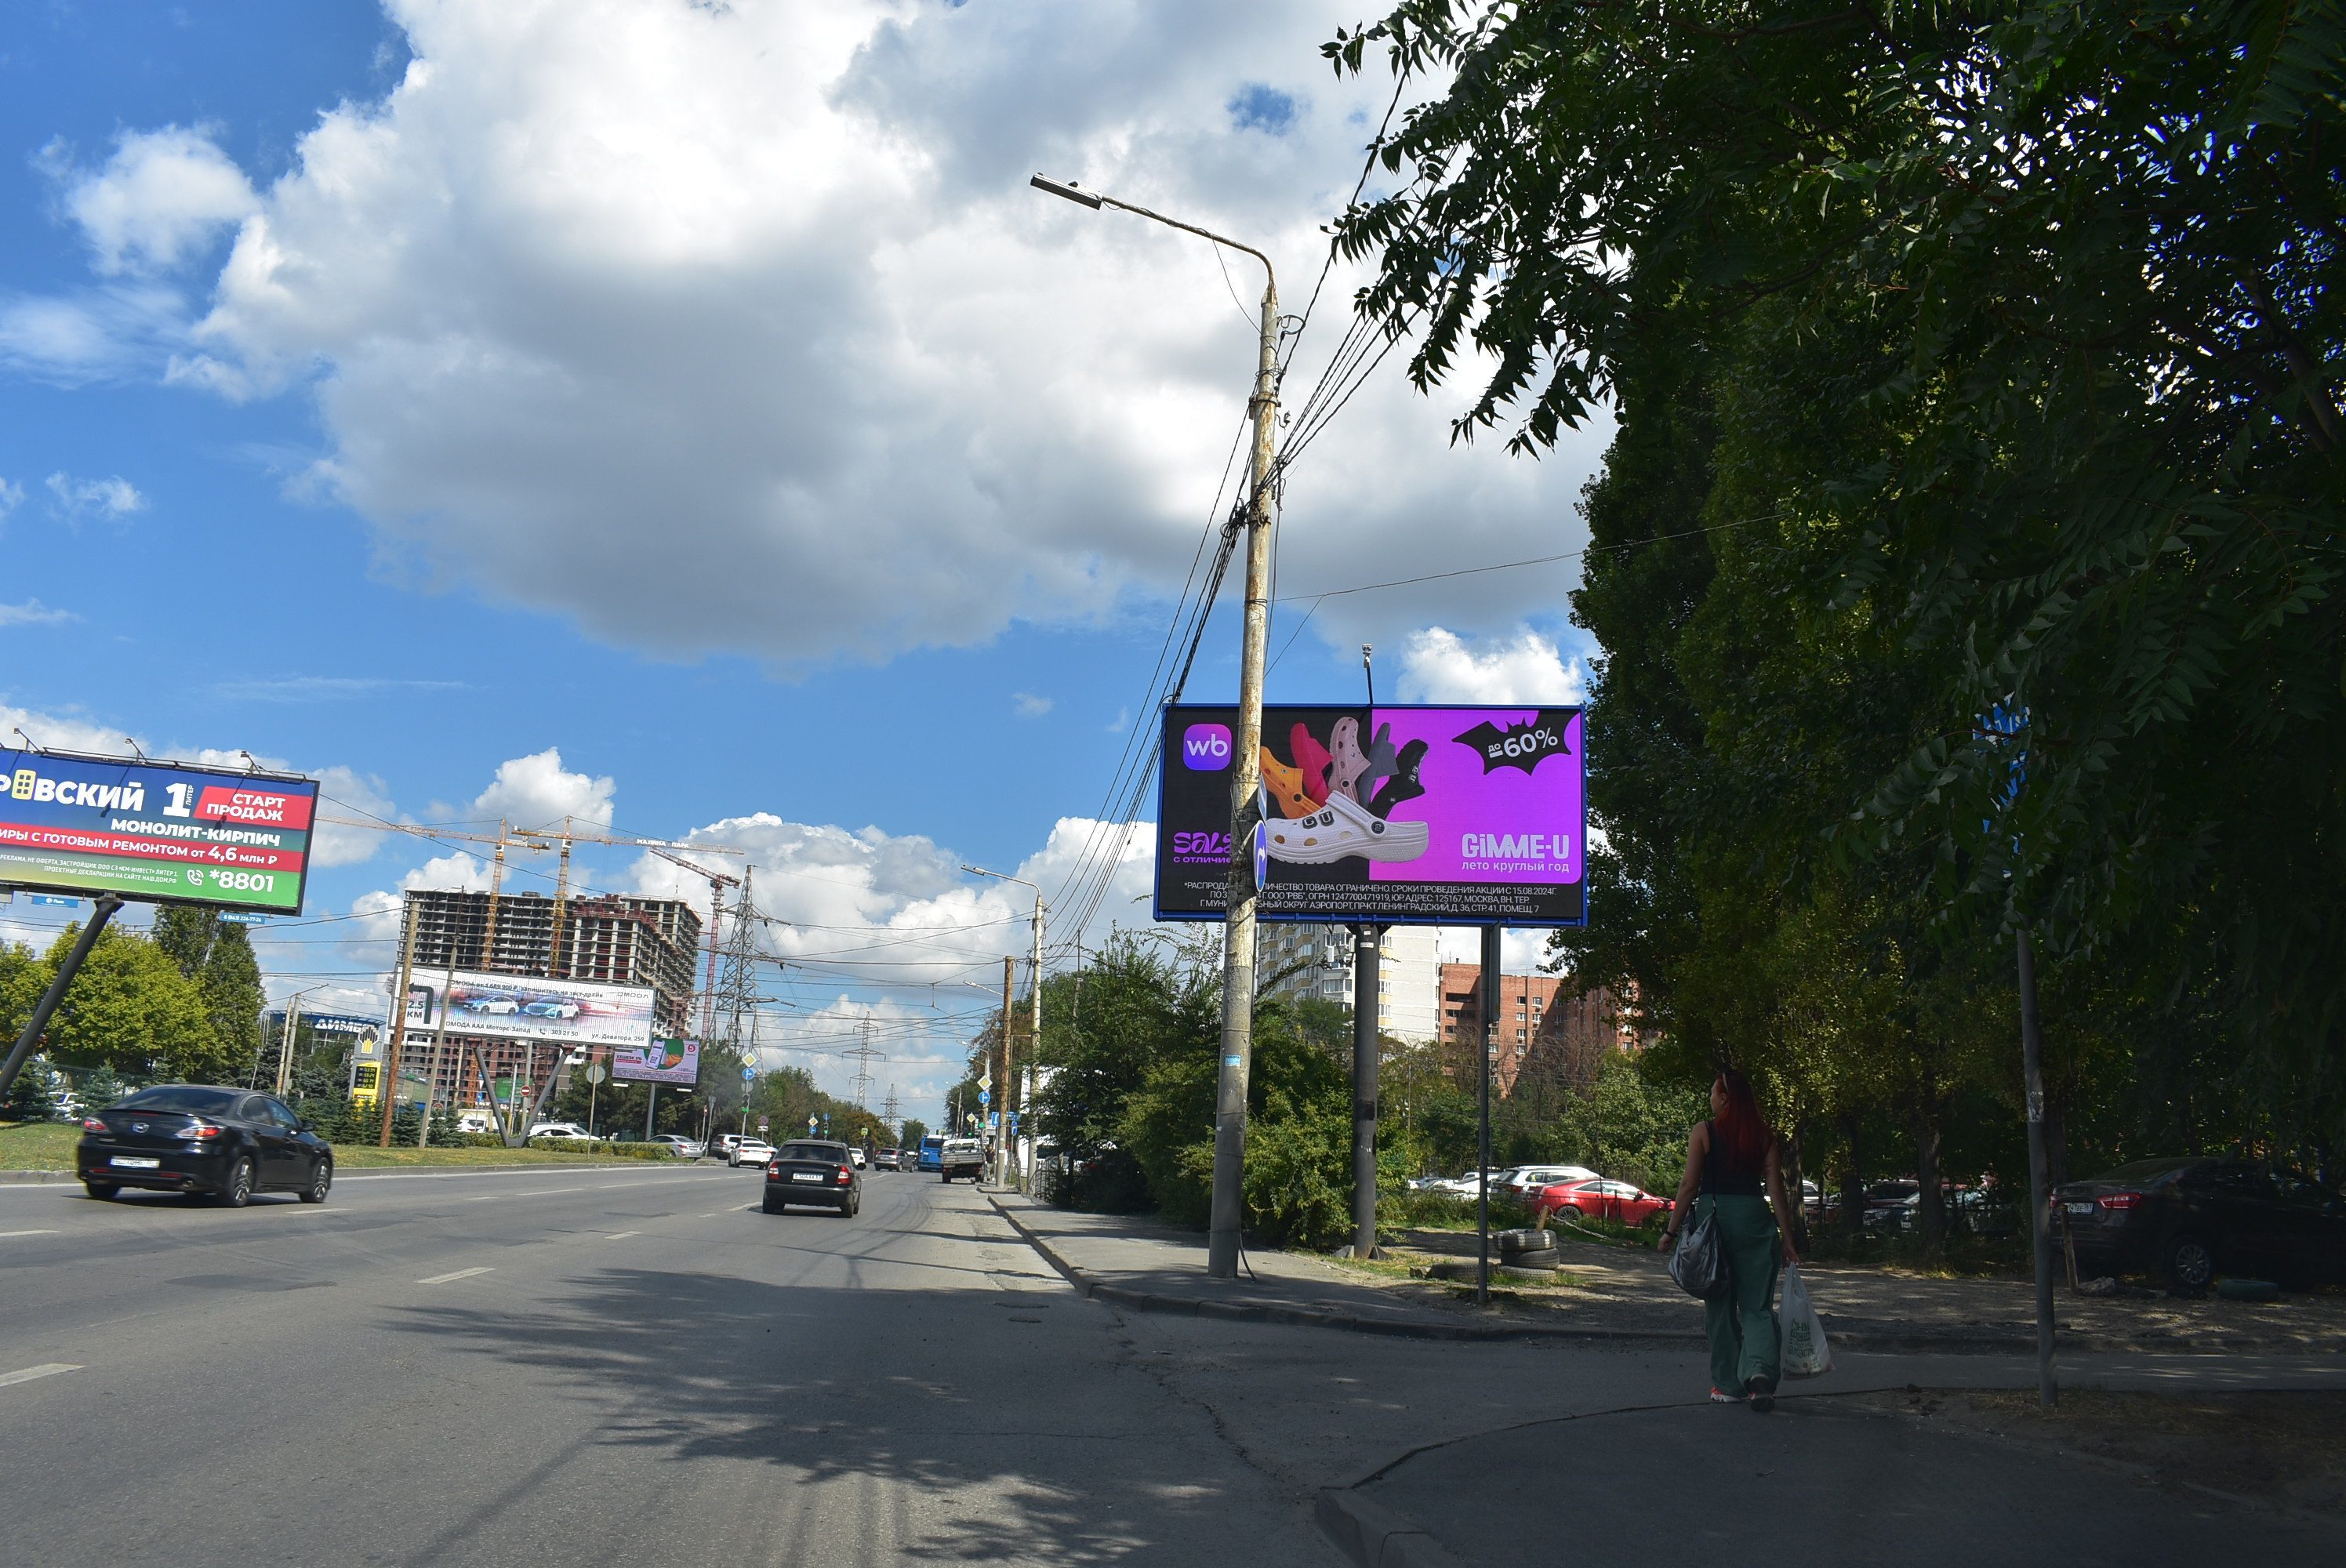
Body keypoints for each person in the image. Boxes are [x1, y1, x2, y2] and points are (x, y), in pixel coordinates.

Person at [1657, 1067, 1801, 1411]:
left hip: (1715, 1223)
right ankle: (1760, 1374)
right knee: (1757, 1307)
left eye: (1712, 1093)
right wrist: (1787, 1239)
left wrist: (1670, 1231)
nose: (1709, 1099)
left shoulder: (1704, 1131)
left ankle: (1728, 1385)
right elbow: (1776, 1191)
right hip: (1756, 1221)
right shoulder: (1763, 1136)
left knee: (1719, 1307)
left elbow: (1689, 1186)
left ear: (1724, 1099)